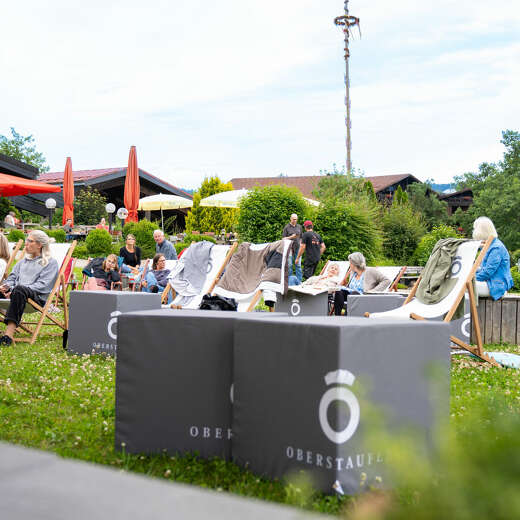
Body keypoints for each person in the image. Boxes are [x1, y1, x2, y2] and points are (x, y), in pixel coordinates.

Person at [0, 230, 59, 346]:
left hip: (36, 298)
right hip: (16, 294)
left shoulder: (50, 263)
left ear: (39, 245)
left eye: (30, 241)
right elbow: (11, 278)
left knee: (20, 289)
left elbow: (43, 285)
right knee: (13, 289)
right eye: (26, 240)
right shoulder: (22, 262)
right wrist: (6, 287)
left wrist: (14, 290)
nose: (26, 243)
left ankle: (8, 336)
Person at [473, 216, 513, 300]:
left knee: (464, 286)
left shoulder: (496, 248)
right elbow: (484, 269)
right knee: (462, 285)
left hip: (497, 285)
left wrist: (471, 278)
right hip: (492, 283)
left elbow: (487, 272)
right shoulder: (490, 245)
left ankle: (467, 312)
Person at [283, 213, 303, 285]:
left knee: (298, 265)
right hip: (290, 248)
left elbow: (301, 237)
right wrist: (291, 237)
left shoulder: (299, 227)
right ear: (290, 219)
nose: (295, 220)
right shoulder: (286, 227)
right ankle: (290, 282)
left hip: (298, 248)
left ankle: (299, 281)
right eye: (294, 219)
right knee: (290, 265)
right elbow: (283, 239)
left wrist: (301, 244)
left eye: (296, 219)